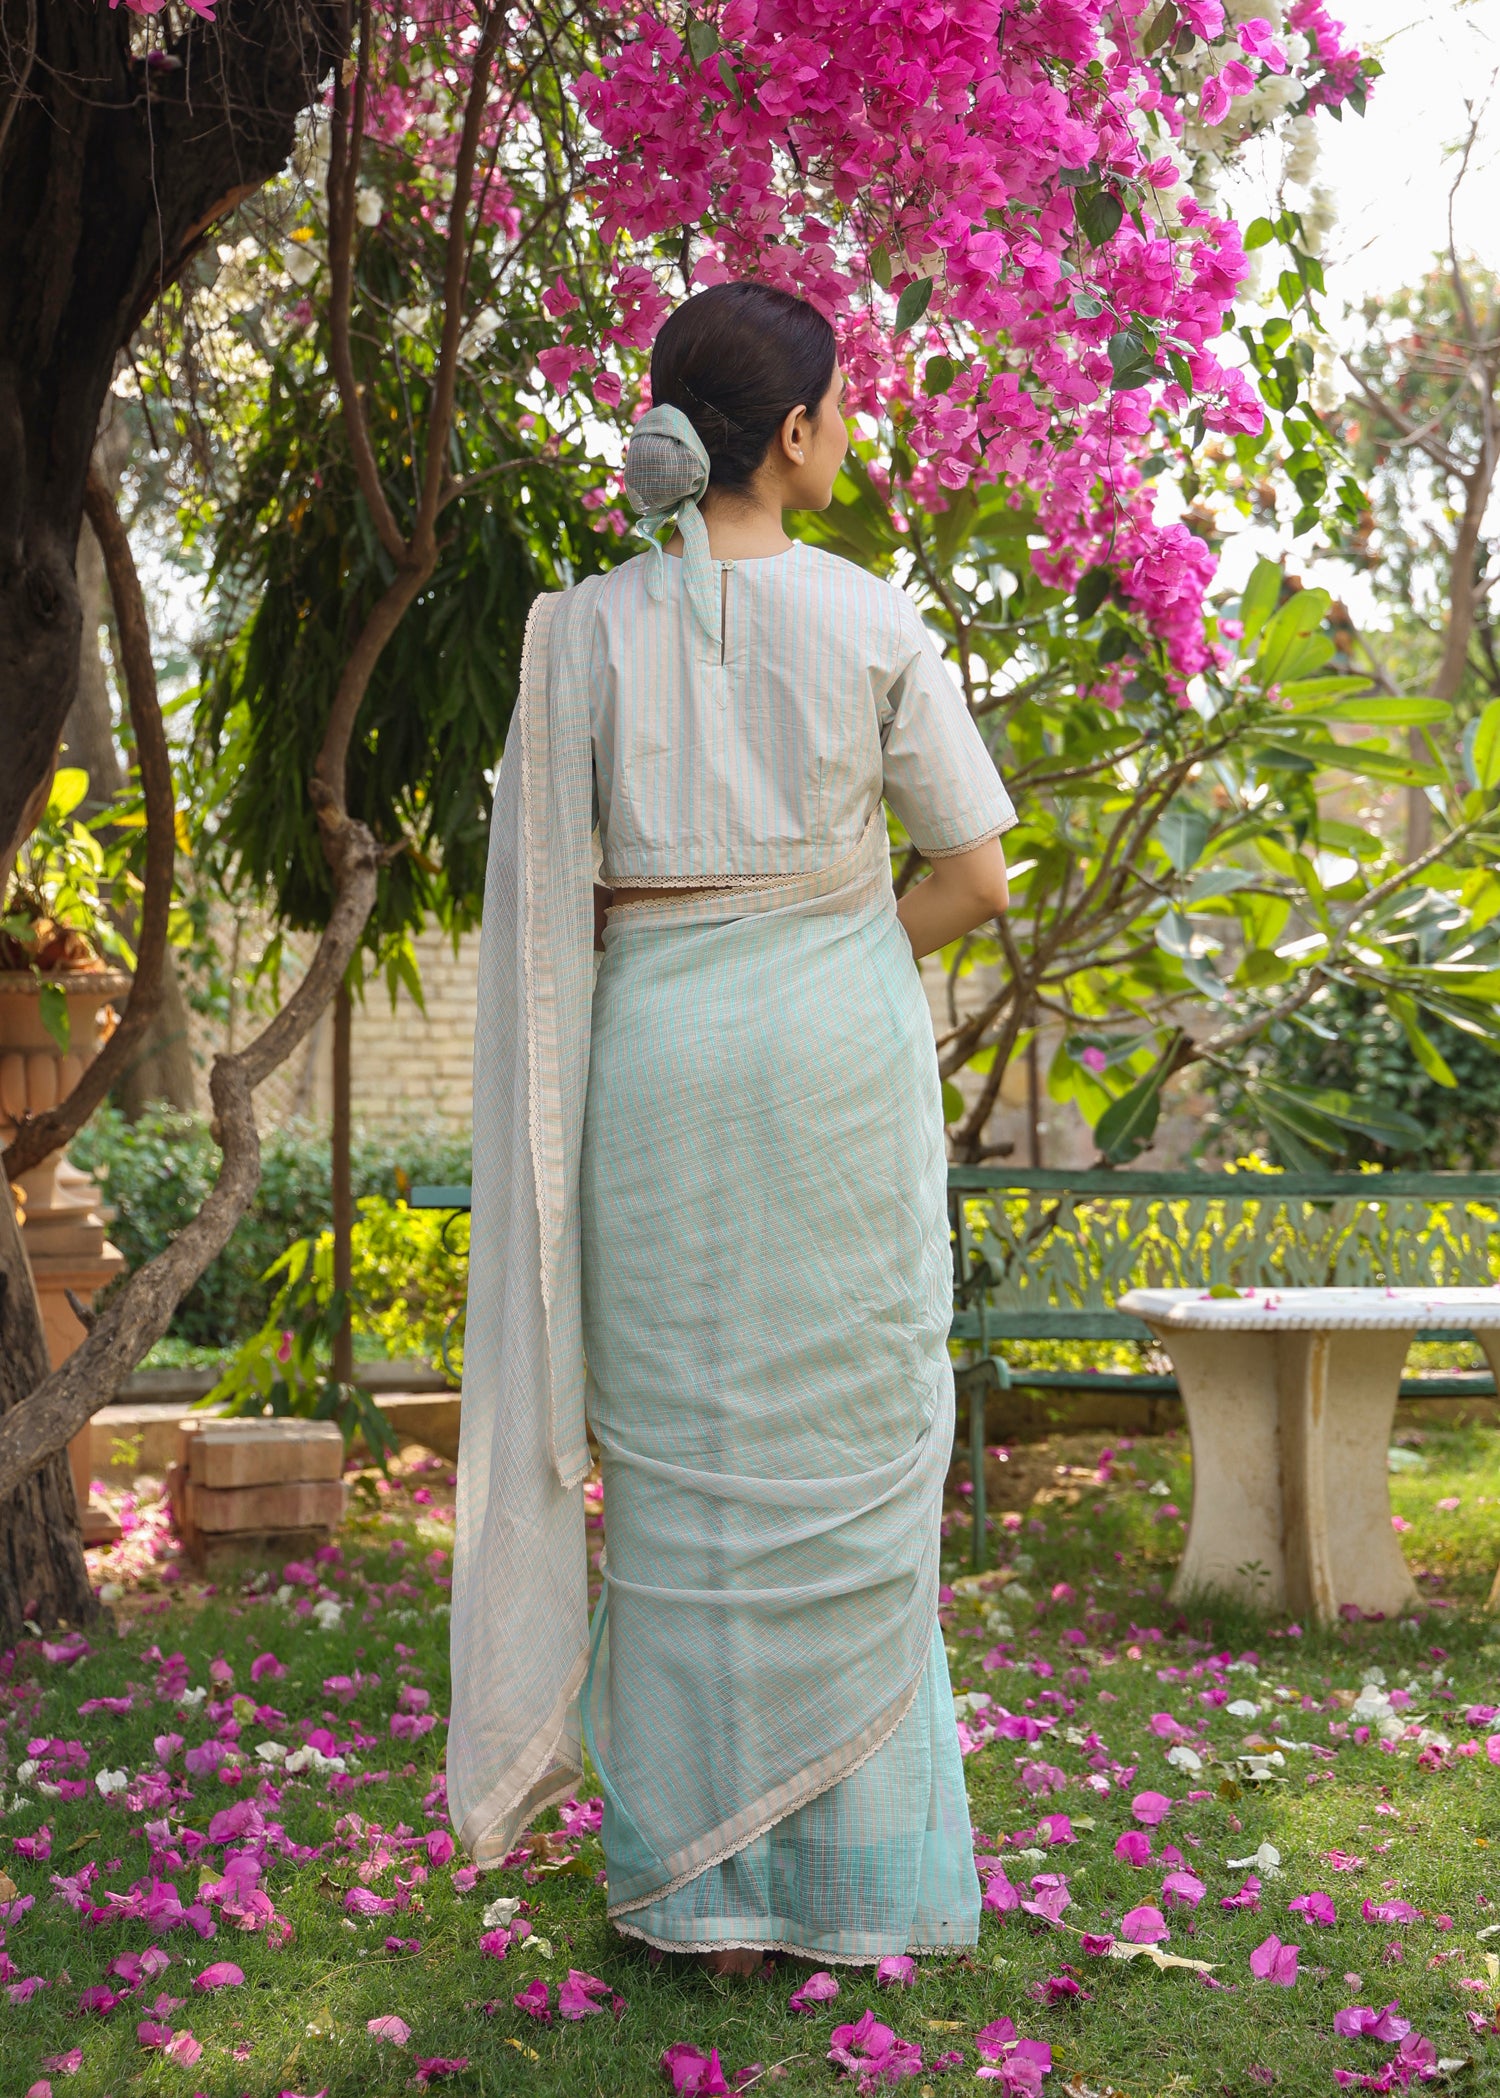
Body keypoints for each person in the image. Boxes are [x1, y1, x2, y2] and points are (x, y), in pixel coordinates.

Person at [448, 281, 1016, 1976]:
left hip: (657, 1068)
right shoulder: (870, 617)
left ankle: (695, 1889)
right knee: (842, 1436)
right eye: (844, 407)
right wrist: (828, 949)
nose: (852, 433)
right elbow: (976, 875)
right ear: (797, 430)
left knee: (682, 1463)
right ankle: (847, 1880)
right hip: (835, 1069)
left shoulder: (581, 630)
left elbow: (549, 911)